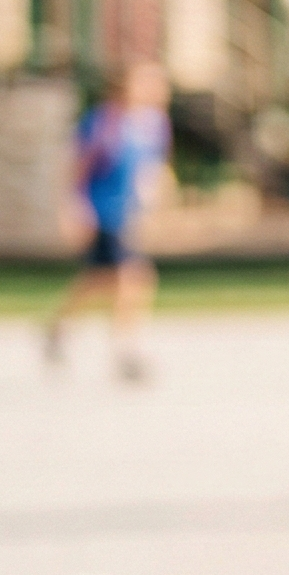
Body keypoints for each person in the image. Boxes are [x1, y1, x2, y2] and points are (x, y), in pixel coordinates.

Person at [45, 61, 172, 383]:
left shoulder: (154, 124)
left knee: (100, 279)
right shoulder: (103, 122)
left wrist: (156, 204)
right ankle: (126, 350)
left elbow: (151, 169)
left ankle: (60, 325)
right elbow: (77, 167)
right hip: (102, 209)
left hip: (129, 212)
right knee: (135, 278)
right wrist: (72, 208)